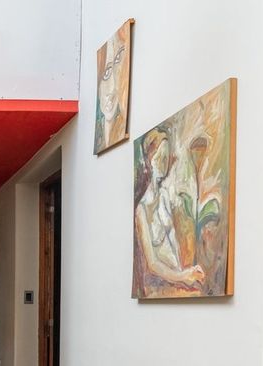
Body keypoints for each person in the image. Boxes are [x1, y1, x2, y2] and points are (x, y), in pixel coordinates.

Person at [134, 129, 205, 295]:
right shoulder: (141, 210)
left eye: (166, 157)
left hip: (175, 279)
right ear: (149, 160)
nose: (163, 163)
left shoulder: (165, 196)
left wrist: (185, 273)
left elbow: (173, 239)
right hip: (156, 287)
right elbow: (152, 264)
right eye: (159, 157)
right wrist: (182, 276)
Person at [94, 25, 130, 153]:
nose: (113, 87)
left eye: (118, 60)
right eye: (106, 74)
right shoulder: (100, 136)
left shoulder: (121, 124)